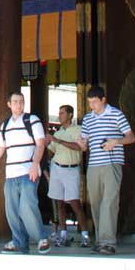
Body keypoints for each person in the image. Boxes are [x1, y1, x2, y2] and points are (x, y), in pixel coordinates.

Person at [0, 91, 50, 255]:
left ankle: (42, 238)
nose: (19, 104)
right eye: (16, 102)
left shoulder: (32, 120)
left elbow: (40, 145)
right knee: (11, 210)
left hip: (28, 172)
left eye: (21, 101)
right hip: (11, 174)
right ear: (9, 104)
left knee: (27, 206)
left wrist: (35, 164)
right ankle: (19, 243)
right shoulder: (5, 126)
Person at [77, 85, 135, 255]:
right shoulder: (88, 118)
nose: (92, 106)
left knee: (109, 202)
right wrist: (81, 143)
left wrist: (115, 142)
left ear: (103, 100)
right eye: (90, 102)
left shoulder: (116, 114)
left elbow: (131, 137)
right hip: (93, 165)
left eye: (95, 102)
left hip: (112, 163)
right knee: (95, 203)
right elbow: (84, 144)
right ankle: (100, 240)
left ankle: (108, 242)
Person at [45, 104, 90, 247]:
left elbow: (79, 148)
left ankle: (85, 235)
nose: (60, 116)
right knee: (59, 202)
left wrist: (57, 141)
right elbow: (51, 151)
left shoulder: (78, 130)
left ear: (70, 115)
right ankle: (63, 234)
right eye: (59, 113)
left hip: (71, 169)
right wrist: (45, 142)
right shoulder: (57, 133)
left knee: (74, 202)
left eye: (62, 113)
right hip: (56, 168)